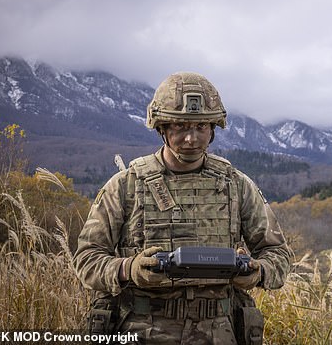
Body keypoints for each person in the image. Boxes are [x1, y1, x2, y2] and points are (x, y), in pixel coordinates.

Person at [73, 72, 292, 344]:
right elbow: (86, 259)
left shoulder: (236, 185)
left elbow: (278, 254)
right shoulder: (126, 185)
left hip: (219, 331)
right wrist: (129, 269)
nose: (191, 139)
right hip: (142, 329)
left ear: (213, 130)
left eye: (201, 127)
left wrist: (258, 272)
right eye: (180, 127)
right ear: (162, 128)